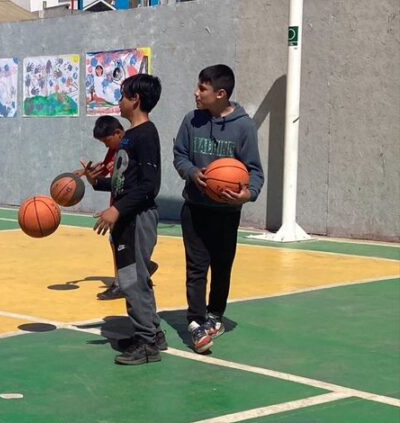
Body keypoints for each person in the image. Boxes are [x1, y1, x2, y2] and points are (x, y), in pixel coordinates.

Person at [173, 64, 264, 354]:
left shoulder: (243, 127)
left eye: (203, 88)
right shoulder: (192, 120)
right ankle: (196, 320)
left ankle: (215, 315)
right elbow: (180, 155)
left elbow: (255, 170)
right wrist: (191, 173)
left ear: (221, 94)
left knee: (222, 266)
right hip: (195, 208)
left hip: (226, 213)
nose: (196, 93)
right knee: (196, 267)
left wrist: (247, 194)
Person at [92, 73, 165, 365]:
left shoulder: (146, 134)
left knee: (133, 281)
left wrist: (117, 210)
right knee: (135, 279)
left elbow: (149, 186)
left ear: (135, 100)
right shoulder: (132, 136)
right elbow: (127, 184)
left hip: (137, 218)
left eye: (122, 96)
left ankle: (147, 345)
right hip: (128, 217)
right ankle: (152, 333)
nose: (118, 102)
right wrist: (99, 183)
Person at [83, 116, 160, 301]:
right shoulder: (115, 150)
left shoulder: (136, 142)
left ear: (118, 133)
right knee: (115, 243)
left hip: (131, 209)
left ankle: (123, 282)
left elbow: (145, 184)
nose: (105, 145)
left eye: (107, 140)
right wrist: (94, 180)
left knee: (127, 251)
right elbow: (118, 181)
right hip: (119, 205)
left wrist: (118, 209)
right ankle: (133, 274)